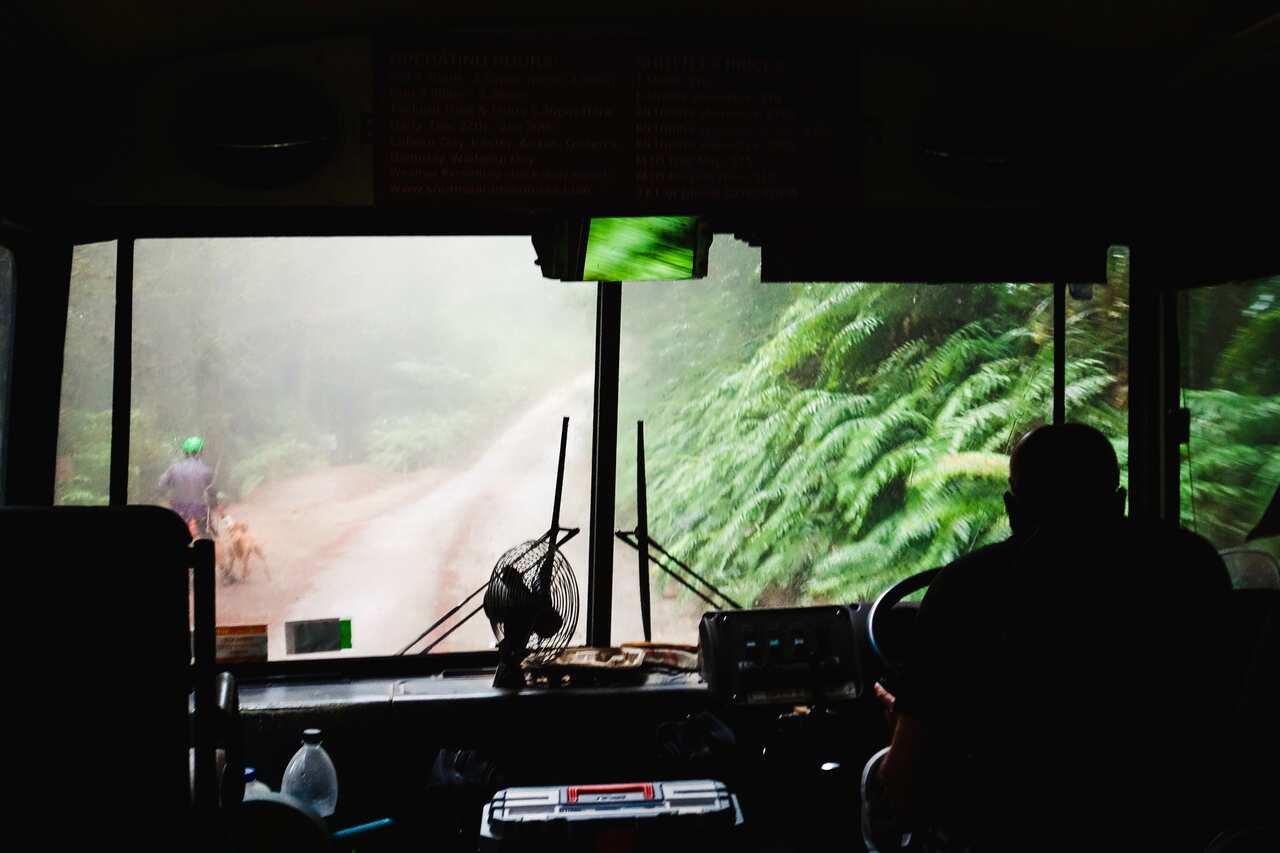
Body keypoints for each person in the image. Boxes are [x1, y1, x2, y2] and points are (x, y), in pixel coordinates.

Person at [865, 423, 1230, 852]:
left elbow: (908, 792)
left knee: (879, 775)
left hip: (1009, 828)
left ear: (1012, 509)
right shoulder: (1192, 566)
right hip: (1174, 824)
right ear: (1118, 502)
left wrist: (907, 726)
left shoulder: (967, 588)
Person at [159, 435, 216, 537]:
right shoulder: (207, 470)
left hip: (178, 511)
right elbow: (212, 494)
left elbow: (161, 486)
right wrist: (214, 504)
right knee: (210, 534)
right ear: (201, 451)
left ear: (184, 452)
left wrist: (165, 498)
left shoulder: (173, 468)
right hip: (199, 512)